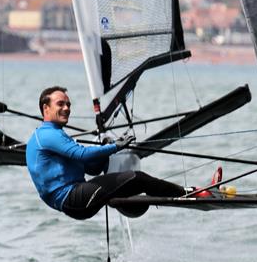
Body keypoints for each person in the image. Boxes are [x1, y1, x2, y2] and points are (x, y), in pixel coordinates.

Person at [26, 86, 188, 220]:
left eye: (68, 104)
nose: (67, 108)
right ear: (45, 108)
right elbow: (82, 154)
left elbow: (91, 168)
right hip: (72, 198)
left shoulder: (50, 135)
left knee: (129, 183)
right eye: (60, 104)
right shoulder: (47, 134)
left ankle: (144, 196)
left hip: (74, 201)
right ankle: (186, 193)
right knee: (138, 178)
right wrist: (116, 146)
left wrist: (104, 151)